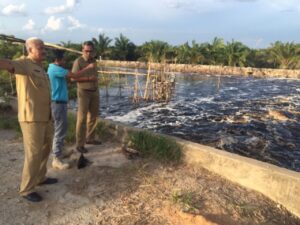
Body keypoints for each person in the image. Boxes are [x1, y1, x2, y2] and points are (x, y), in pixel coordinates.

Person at [0, 37, 57, 202]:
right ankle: (26, 189)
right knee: (33, 153)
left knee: (46, 147)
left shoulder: (40, 67)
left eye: (44, 47)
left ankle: (40, 177)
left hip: (45, 116)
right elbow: (7, 64)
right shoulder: (23, 64)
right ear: (30, 49)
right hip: (31, 118)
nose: (44, 50)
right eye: (40, 47)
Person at [48, 49, 97, 170]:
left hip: (60, 102)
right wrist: (88, 68)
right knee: (59, 130)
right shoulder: (56, 69)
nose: (65, 61)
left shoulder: (53, 68)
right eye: (64, 59)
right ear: (58, 59)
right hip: (58, 103)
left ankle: (59, 152)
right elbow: (74, 76)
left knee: (61, 128)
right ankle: (56, 159)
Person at [72, 41, 101, 153]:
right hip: (84, 92)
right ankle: (80, 144)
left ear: (93, 51)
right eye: (86, 51)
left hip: (94, 91)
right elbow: (73, 78)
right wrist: (88, 79)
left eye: (90, 51)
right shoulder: (78, 62)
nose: (88, 53)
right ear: (82, 50)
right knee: (82, 118)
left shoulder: (94, 61)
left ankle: (90, 138)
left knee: (94, 116)